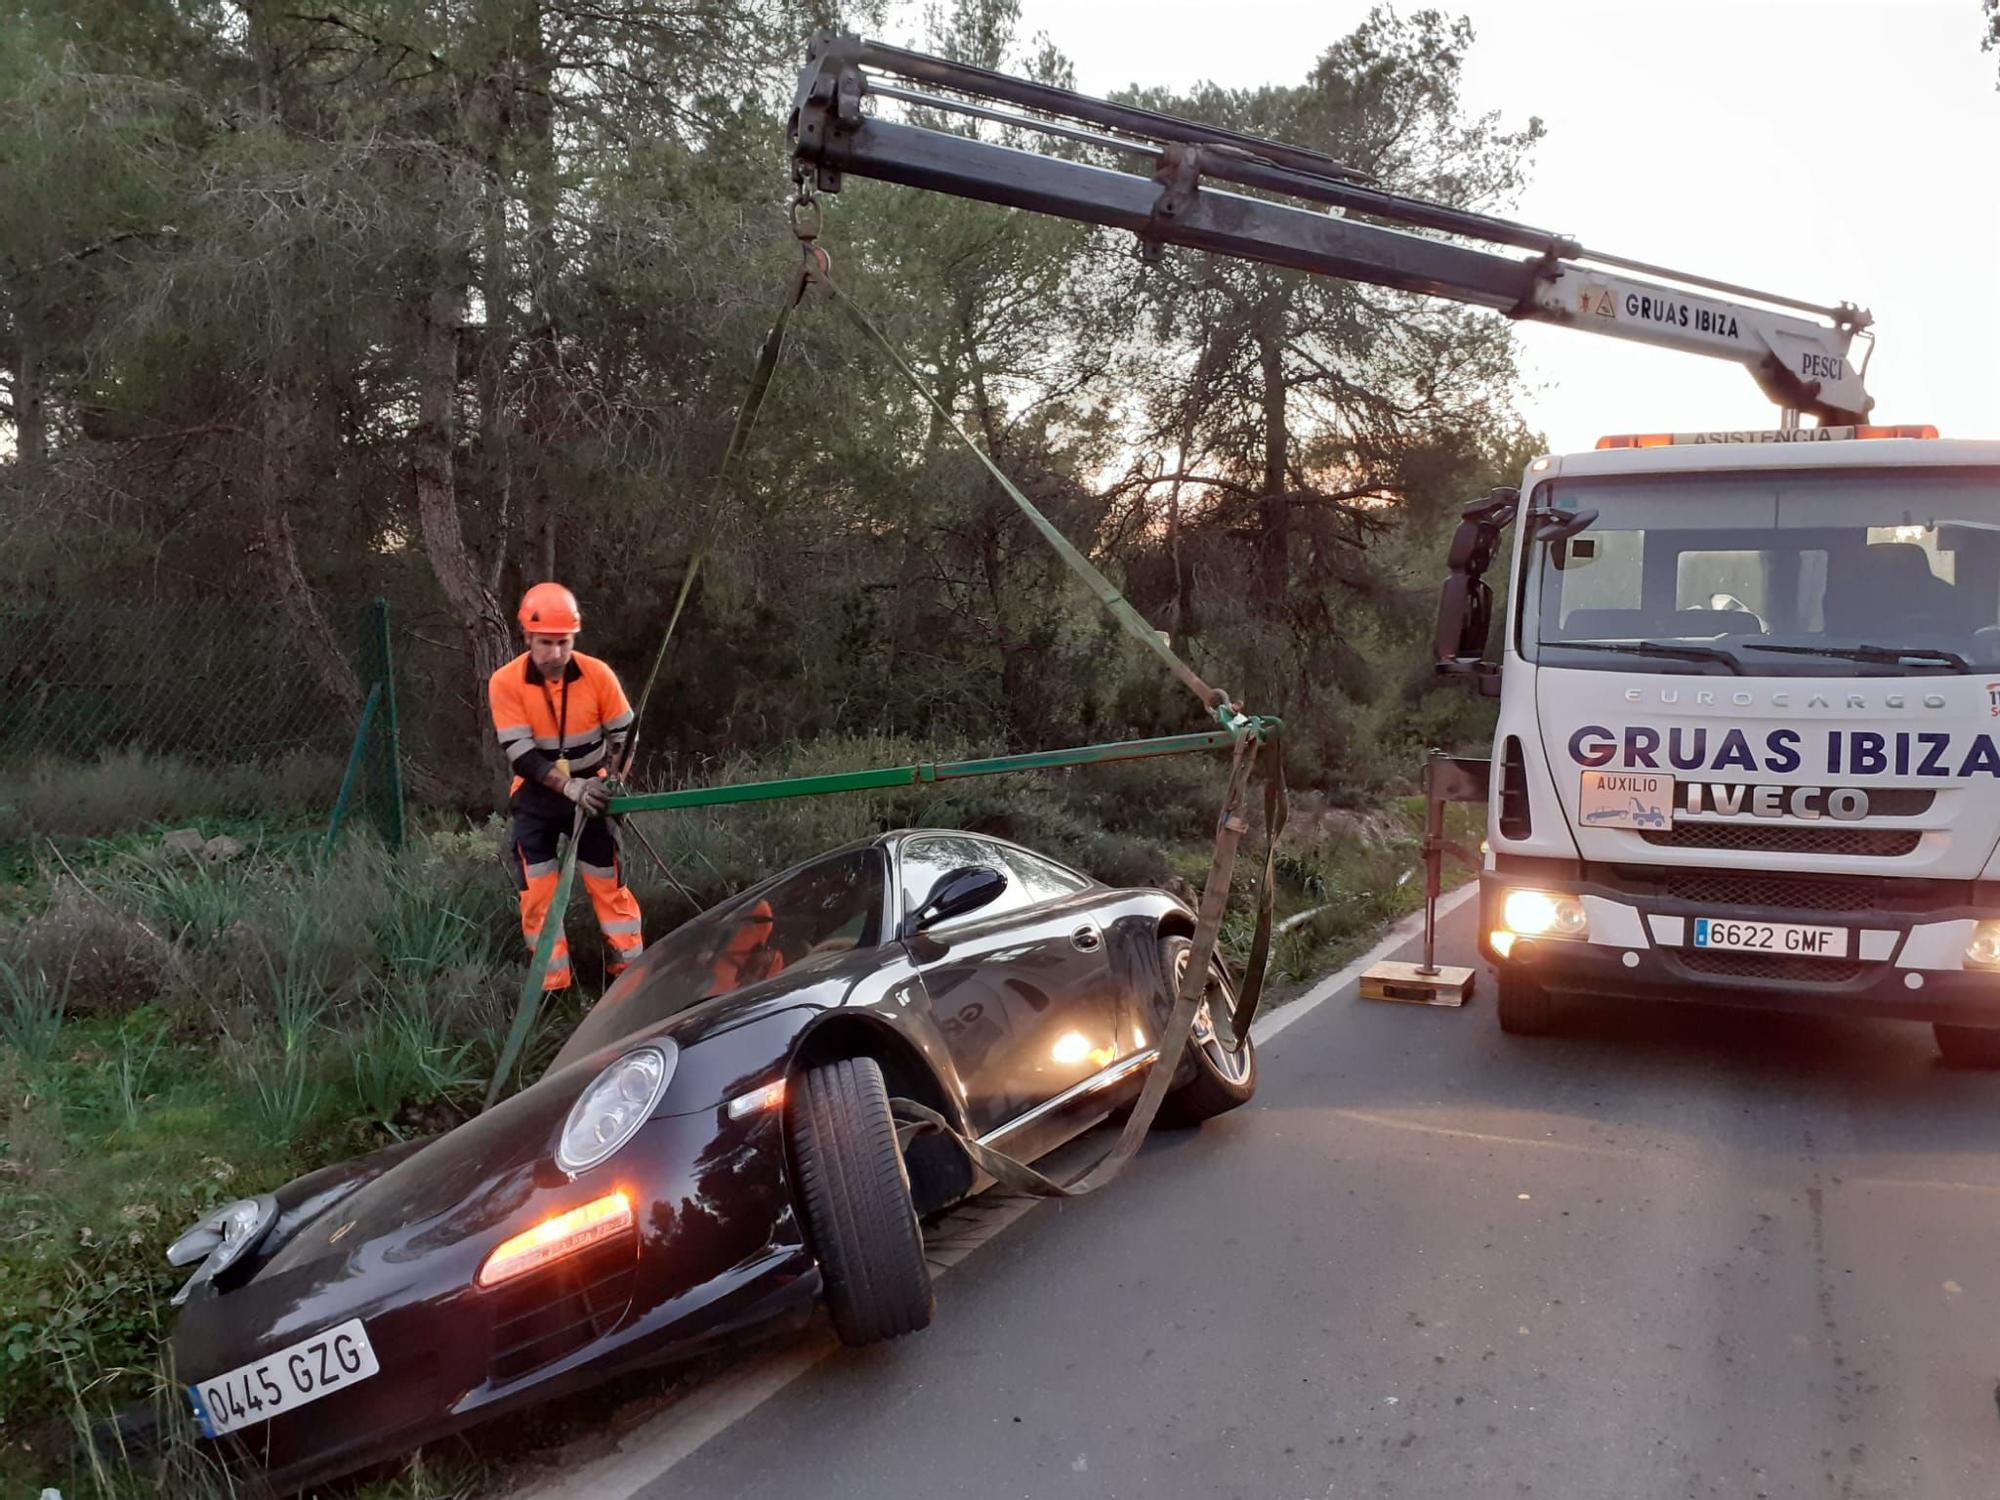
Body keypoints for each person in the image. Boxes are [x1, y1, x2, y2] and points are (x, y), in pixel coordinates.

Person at [487, 583, 643, 991]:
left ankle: (628, 982)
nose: (555, 654)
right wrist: (569, 788)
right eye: (545, 643)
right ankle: (553, 988)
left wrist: (616, 783)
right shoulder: (505, 683)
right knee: (539, 895)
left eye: (563, 643)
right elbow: (521, 754)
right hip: (537, 797)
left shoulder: (597, 675)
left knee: (609, 885)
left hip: (595, 792)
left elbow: (625, 736)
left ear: (574, 638)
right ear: (526, 638)